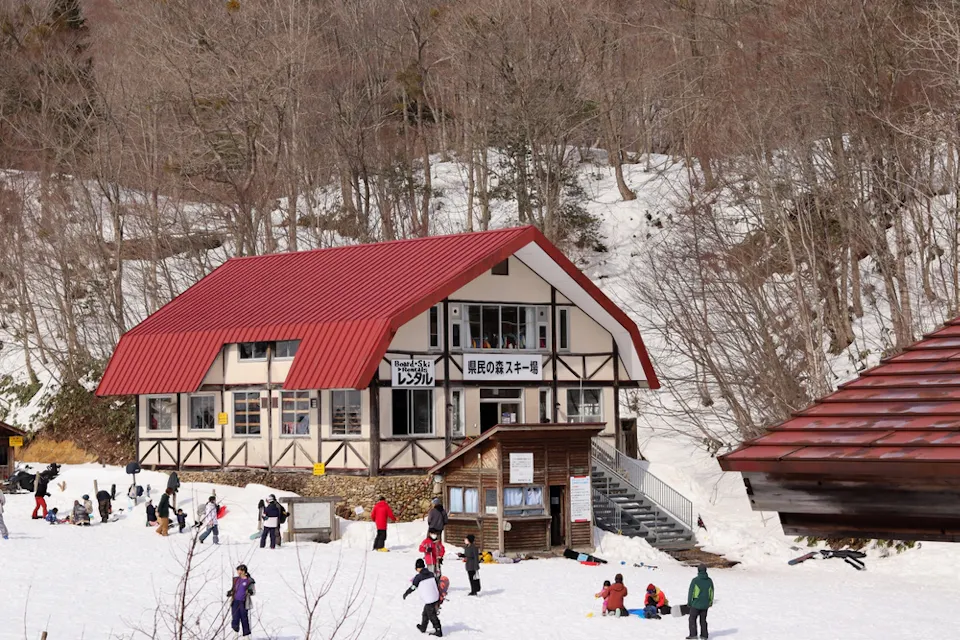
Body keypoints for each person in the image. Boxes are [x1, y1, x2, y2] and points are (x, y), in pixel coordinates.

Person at [402, 558, 442, 637]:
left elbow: (413, 587)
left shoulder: (418, 577)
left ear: (418, 568)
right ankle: (423, 627)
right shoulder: (431, 573)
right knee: (425, 613)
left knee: (431, 615)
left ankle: (438, 630)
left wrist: (406, 593)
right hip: (435, 596)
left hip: (429, 598)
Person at [686, 564, 714, 640]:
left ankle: (693, 635)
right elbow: (711, 592)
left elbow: (691, 592)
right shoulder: (709, 580)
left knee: (692, 619)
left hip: (696, 604)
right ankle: (704, 635)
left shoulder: (695, 580)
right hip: (705, 604)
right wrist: (710, 602)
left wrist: (689, 602)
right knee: (703, 620)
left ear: (698, 570)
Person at [227, 564, 255, 637]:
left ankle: (246, 635)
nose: (238, 572)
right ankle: (235, 634)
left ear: (243, 571)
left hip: (243, 602)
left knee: (244, 618)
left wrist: (250, 592)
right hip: (235, 601)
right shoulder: (236, 579)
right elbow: (233, 589)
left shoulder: (249, 581)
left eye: (239, 570)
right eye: (237, 570)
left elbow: (253, 591)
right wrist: (230, 592)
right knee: (235, 617)